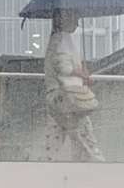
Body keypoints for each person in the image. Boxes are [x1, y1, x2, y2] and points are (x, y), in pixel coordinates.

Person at [42, 9, 103, 162]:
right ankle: (96, 165)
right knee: (85, 136)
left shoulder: (59, 39)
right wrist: (82, 74)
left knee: (55, 141)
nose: (77, 22)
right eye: (75, 18)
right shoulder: (62, 40)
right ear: (65, 19)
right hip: (69, 98)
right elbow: (64, 68)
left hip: (57, 98)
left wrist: (82, 72)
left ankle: (49, 168)